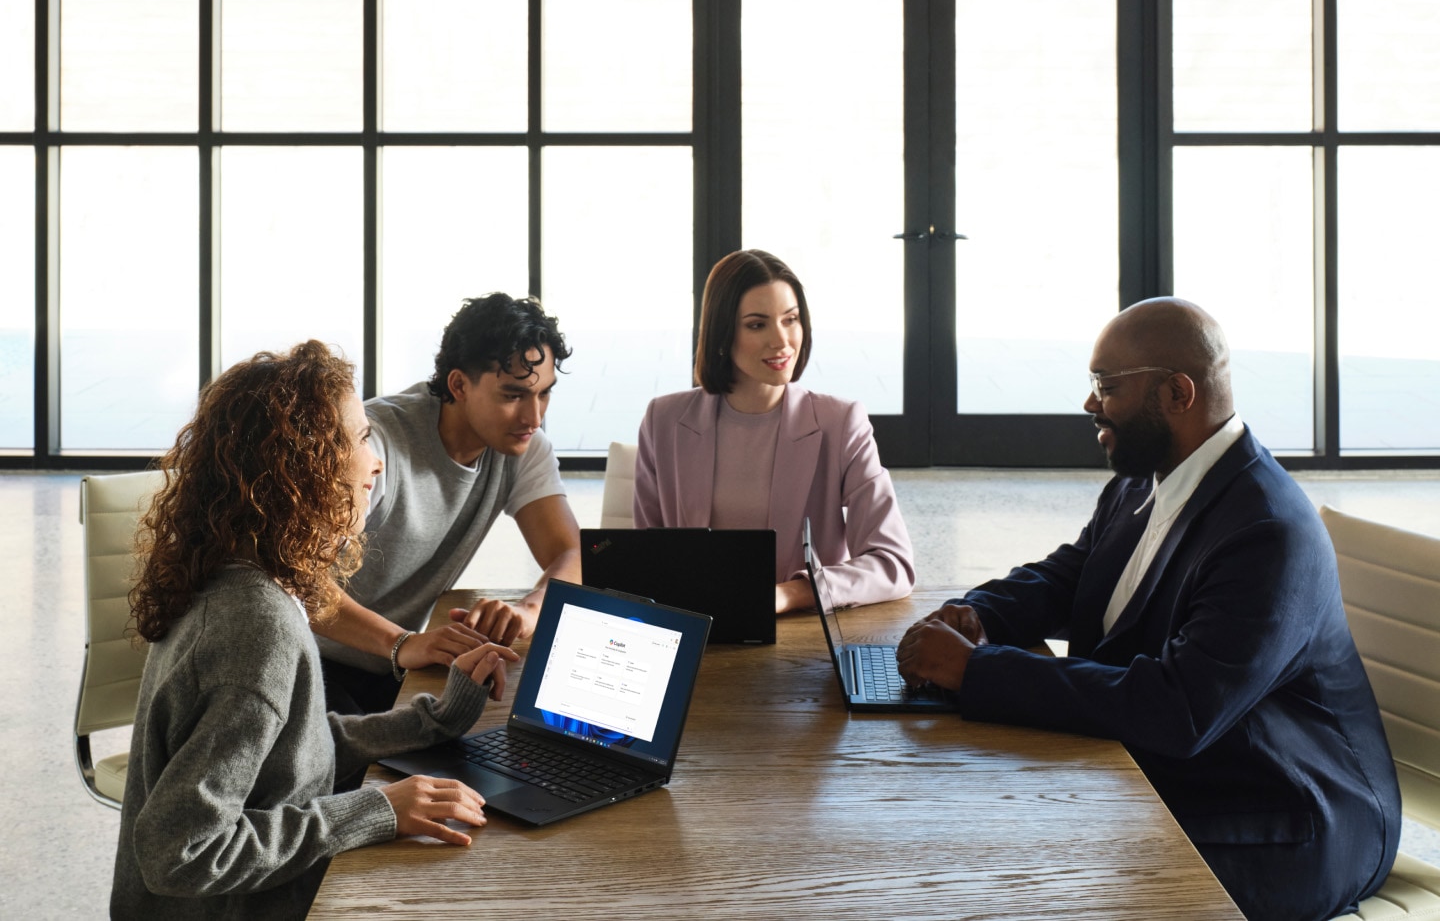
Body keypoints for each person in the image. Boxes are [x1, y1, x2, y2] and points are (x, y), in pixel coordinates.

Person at [895, 298, 1400, 921]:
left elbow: (1179, 709)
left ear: (1177, 394)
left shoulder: (1267, 532)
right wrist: (978, 615)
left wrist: (977, 671)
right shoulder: (1146, 479)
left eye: (1106, 387)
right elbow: (1066, 577)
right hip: (1183, 774)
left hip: (1285, 816)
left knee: (1025, 865)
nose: (1089, 404)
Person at [112, 341, 519, 920]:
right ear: (301, 464)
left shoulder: (234, 571)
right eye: (358, 438)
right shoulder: (258, 627)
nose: (375, 462)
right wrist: (375, 810)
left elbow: (292, 755)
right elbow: (179, 853)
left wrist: (435, 721)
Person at [313, 293, 582, 717]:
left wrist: (528, 610)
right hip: (308, 663)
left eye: (544, 394)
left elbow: (570, 554)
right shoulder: (376, 444)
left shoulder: (523, 448)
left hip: (390, 668)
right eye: (513, 395)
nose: (534, 416)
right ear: (459, 385)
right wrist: (403, 642)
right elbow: (295, 577)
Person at [635, 249, 914, 612]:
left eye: (791, 319)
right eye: (757, 324)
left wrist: (789, 594)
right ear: (722, 333)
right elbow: (642, 558)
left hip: (801, 630)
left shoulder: (841, 423)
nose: (782, 341)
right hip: (694, 629)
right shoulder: (664, 420)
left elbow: (893, 564)